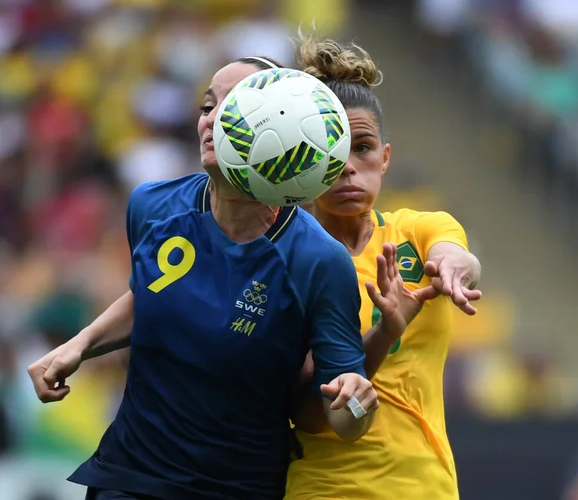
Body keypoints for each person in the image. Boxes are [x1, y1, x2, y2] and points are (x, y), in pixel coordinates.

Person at [27, 56, 384, 500]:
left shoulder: (318, 260)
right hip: (129, 476)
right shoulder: (151, 206)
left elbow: (345, 416)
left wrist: (357, 403)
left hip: (238, 488)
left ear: (288, 129)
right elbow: (153, 294)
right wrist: (77, 347)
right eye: (207, 106)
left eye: (235, 107)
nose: (213, 120)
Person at [286, 34, 482, 500]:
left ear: (386, 157)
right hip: (323, 488)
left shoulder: (417, 230)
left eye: (364, 147)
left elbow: (455, 253)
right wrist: (384, 334)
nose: (349, 168)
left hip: (425, 487)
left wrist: (454, 269)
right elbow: (309, 414)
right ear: (304, 159)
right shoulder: (284, 263)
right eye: (332, 151)